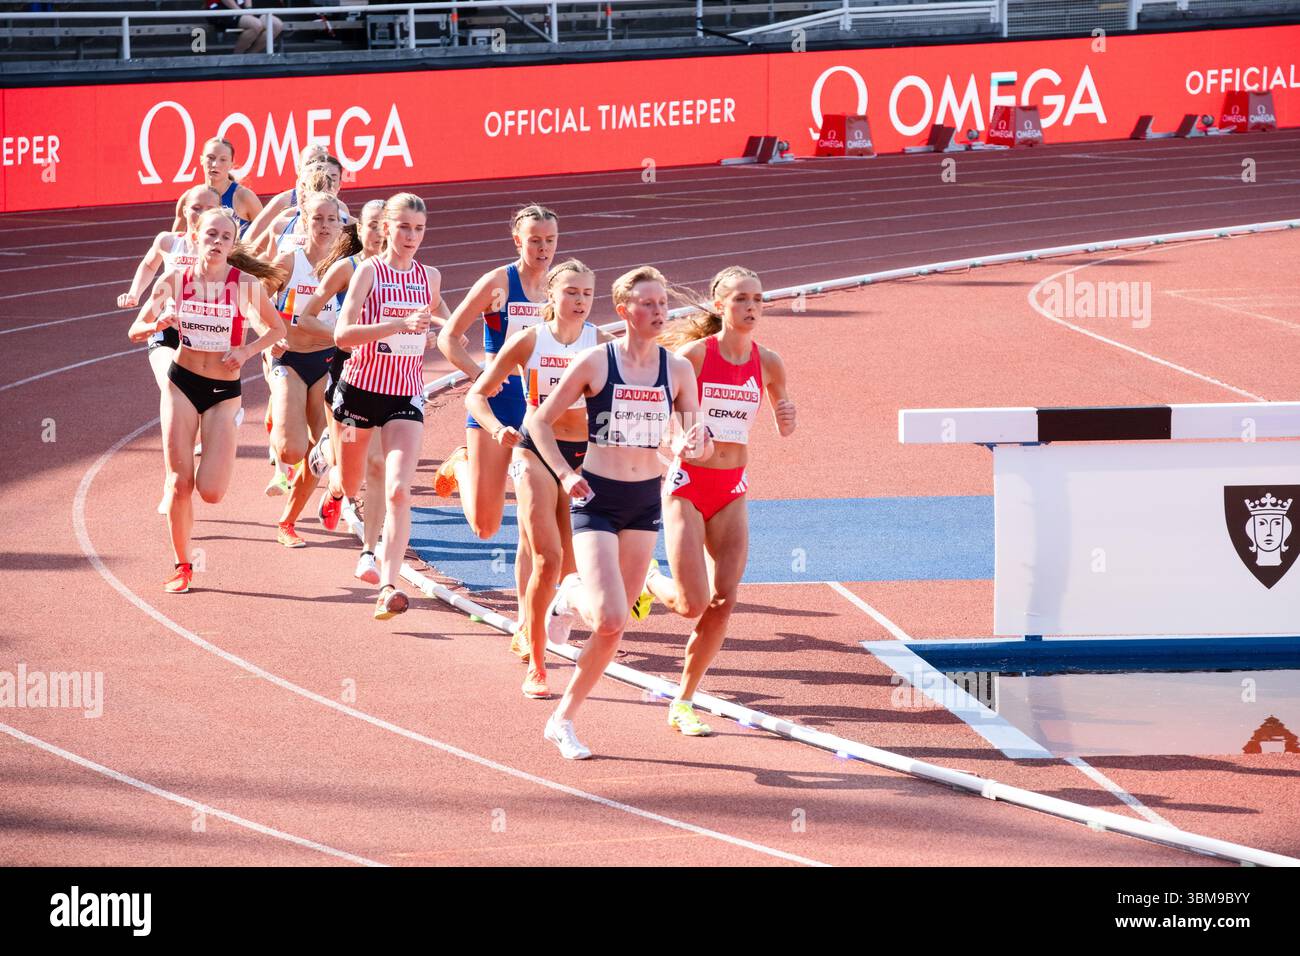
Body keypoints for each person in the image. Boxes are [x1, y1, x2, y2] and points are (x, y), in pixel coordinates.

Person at [528, 266, 712, 759]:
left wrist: (695, 442)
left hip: (645, 499)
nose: (660, 312)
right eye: (648, 304)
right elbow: (539, 421)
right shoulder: (595, 362)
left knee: (614, 626)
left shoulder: (677, 370)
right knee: (609, 613)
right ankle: (568, 594)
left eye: (663, 303)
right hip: (597, 497)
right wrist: (567, 477)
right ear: (625, 310)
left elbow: (694, 440)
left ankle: (561, 719)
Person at [645, 266, 797, 736]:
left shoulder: (768, 361)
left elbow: (782, 418)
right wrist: (676, 443)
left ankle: (684, 701)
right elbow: (649, 417)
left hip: (731, 488)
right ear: (718, 306)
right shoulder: (691, 357)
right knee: (692, 603)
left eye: (757, 299)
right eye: (740, 300)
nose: (751, 307)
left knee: (725, 599)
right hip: (688, 483)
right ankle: (650, 581)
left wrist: (787, 416)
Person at [464, 259, 612, 700]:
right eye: (570, 292)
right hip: (533, 452)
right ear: (551, 295)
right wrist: (495, 429)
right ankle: (538, 664)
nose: (580, 301)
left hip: (582, 456)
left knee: (568, 565)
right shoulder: (530, 340)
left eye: (587, 293)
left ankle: (543, 620)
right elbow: (477, 394)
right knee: (547, 558)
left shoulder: (600, 343)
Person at [126, 209, 286, 593]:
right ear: (194, 236)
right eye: (210, 234)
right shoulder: (175, 280)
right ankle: (182, 565)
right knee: (179, 484)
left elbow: (277, 329)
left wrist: (247, 351)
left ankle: (225, 432)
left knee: (211, 492)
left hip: (223, 394)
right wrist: (157, 324)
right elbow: (135, 330)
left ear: (233, 246)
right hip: (181, 384)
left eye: (225, 237)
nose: (216, 242)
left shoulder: (245, 285)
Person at [328, 193, 450, 619]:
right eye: (403, 227)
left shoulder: (430, 277)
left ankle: (388, 585)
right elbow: (343, 336)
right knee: (349, 480)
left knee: (398, 490)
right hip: (358, 393)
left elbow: (443, 325)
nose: (411, 236)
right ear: (385, 229)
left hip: (405, 396)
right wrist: (398, 325)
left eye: (419, 229)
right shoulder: (368, 271)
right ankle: (325, 468)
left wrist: (438, 337)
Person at [434, 205, 557, 615]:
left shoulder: (561, 287)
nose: (543, 248)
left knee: (531, 517)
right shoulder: (498, 282)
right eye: (534, 239)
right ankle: (461, 466)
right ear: (517, 240)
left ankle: (529, 619)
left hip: (542, 409)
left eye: (550, 240)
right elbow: (449, 337)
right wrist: (479, 377)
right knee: (485, 526)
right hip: (497, 403)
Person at [298, 198, 388, 583]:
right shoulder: (346, 269)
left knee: (378, 464)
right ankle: (332, 478)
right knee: (349, 476)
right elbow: (305, 317)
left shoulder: (408, 272)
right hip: (347, 380)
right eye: (372, 225)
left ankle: (369, 553)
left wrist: (440, 331)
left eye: (387, 226)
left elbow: (439, 311)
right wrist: (341, 337)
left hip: (393, 381)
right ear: (360, 229)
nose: (380, 234)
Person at [263, 192, 344, 546]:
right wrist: (269, 336)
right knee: (292, 451)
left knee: (322, 454)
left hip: (329, 363)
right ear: (304, 222)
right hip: (290, 359)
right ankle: (278, 431)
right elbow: (253, 300)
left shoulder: (348, 268)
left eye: (332, 219)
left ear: (342, 226)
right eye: (317, 219)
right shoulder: (289, 262)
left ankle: (288, 522)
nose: (324, 226)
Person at [170, 137, 262, 236]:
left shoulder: (244, 197)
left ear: (231, 164)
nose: (215, 164)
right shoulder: (189, 198)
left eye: (223, 160)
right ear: (201, 159)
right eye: (211, 157)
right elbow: (175, 241)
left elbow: (266, 233)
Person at [206, 0, 283, 56]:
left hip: (241, 8)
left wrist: (248, 10)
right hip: (219, 8)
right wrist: (242, 12)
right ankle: (235, 58)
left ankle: (249, 57)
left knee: (276, 24)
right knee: (256, 25)